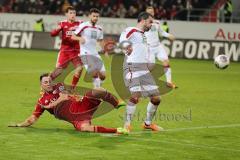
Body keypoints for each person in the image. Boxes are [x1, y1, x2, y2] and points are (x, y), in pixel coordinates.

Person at [8, 73, 127, 134]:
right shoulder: (41, 102)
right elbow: (32, 119)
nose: (48, 83)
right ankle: (117, 130)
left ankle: (115, 104)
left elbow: (64, 96)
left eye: (49, 81)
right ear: (41, 84)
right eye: (45, 82)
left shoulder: (58, 86)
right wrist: (19, 124)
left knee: (99, 90)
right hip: (76, 119)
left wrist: (51, 105)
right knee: (86, 129)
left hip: (82, 106)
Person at [119, 12, 163, 132]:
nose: (151, 24)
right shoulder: (131, 30)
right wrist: (126, 46)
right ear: (143, 21)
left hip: (144, 70)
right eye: (150, 22)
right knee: (135, 95)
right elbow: (122, 39)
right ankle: (127, 125)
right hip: (132, 67)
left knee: (156, 98)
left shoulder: (144, 36)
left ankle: (147, 124)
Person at [72, 8, 106, 88]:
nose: (95, 18)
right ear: (89, 16)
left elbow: (100, 40)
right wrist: (80, 38)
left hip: (95, 53)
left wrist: (105, 50)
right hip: (85, 53)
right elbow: (73, 36)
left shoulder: (99, 28)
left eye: (97, 16)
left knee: (103, 76)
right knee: (94, 72)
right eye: (94, 16)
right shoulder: (84, 25)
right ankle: (97, 89)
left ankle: (98, 87)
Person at [50, 6, 83, 89]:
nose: (73, 15)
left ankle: (72, 89)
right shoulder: (62, 23)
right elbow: (52, 34)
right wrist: (57, 30)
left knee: (79, 68)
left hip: (76, 52)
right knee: (58, 71)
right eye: (70, 13)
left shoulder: (80, 23)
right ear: (66, 14)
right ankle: (46, 86)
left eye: (74, 13)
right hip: (65, 51)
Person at [145, 6, 177, 89]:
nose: (150, 13)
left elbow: (162, 32)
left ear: (154, 13)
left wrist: (169, 35)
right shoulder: (144, 23)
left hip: (158, 46)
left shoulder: (157, 22)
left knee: (166, 62)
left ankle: (169, 82)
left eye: (152, 12)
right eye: (149, 12)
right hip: (149, 48)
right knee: (150, 67)